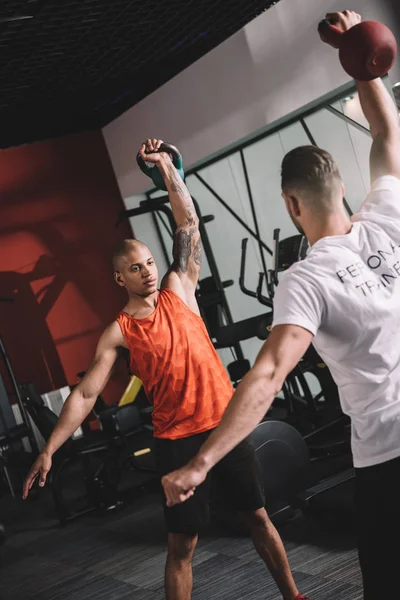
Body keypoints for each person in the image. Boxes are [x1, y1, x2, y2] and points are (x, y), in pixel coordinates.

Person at [161, 9, 400, 600]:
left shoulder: (304, 278)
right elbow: (387, 133)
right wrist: (357, 60)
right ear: (341, 185)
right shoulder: (387, 218)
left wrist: (201, 463)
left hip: (388, 455)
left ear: (292, 206)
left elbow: (268, 374)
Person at [22, 139, 310, 600]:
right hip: (176, 441)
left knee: (258, 517)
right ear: (121, 279)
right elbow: (84, 394)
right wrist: (50, 449)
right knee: (183, 545)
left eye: (150, 262)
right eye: (136, 269)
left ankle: (294, 596)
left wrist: (165, 169)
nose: (148, 272)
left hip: (224, 426)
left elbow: (188, 222)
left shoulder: (180, 287)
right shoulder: (118, 332)